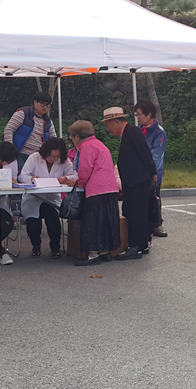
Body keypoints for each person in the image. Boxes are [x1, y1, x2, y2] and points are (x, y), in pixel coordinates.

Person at [102, 107, 157, 260]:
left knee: (135, 213)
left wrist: (153, 173)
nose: (108, 129)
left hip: (138, 181)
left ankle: (135, 246)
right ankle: (142, 244)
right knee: (135, 211)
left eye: (108, 124)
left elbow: (145, 153)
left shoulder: (132, 132)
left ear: (116, 121)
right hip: (134, 181)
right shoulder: (128, 133)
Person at [68, 120, 120, 266]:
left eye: (72, 137)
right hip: (109, 187)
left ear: (77, 136)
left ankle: (92, 255)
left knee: (92, 221)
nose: (72, 140)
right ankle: (105, 251)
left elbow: (85, 170)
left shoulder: (86, 147)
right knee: (105, 221)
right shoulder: (99, 144)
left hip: (96, 189)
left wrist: (79, 183)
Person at [18, 137, 77, 259]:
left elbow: (74, 175)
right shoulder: (34, 157)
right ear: (45, 152)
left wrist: (65, 178)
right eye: (51, 156)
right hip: (33, 198)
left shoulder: (64, 161)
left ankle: (55, 248)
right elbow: (22, 176)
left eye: (56, 157)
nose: (53, 159)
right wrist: (33, 179)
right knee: (33, 223)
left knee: (53, 220)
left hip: (51, 198)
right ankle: (36, 246)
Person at [135, 101, 167, 238]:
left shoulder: (159, 132)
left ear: (149, 115)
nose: (138, 117)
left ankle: (156, 224)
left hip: (152, 172)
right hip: (138, 171)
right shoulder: (138, 129)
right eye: (136, 115)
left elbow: (156, 155)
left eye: (139, 114)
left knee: (154, 197)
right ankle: (145, 224)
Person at [4, 92, 57, 169]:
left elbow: (53, 140)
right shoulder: (22, 113)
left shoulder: (48, 121)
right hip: (19, 154)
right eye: (42, 104)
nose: (45, 107)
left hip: (37, 157)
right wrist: (10, 149)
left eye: (47, 105)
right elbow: (9, 129)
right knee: (17, 176)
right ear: (35, 102)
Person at [0, 141, 19, 266]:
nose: (9, 164)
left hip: (0, 202)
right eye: (8, 161)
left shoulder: (6, 165)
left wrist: (12, 181)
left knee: (7, 223)